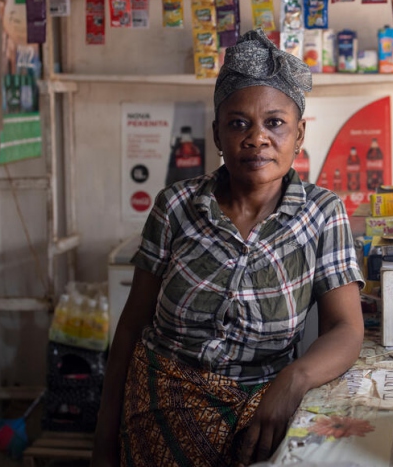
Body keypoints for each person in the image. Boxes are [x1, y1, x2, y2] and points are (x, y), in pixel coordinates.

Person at [91, 29, 365, 467]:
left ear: (299, 134)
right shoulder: (176, 206)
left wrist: (293, 380)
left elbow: (347, 329)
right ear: (217, 134)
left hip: (263, 419)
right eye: (239, 123)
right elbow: (129, 330)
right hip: (157, 417)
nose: (257, 138)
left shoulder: (322, 213)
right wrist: (103, 442)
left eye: (275, 123)